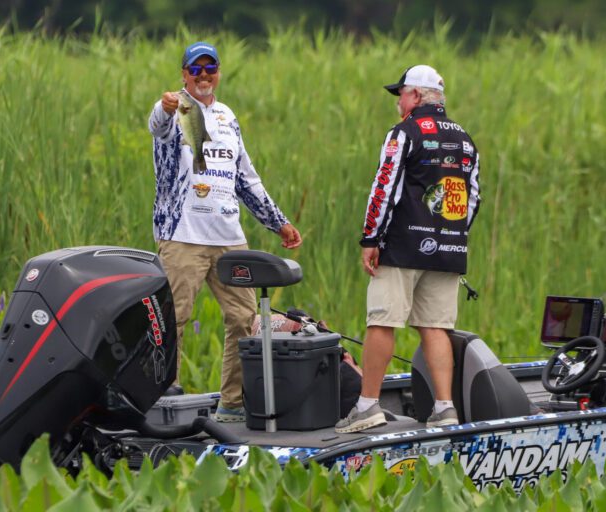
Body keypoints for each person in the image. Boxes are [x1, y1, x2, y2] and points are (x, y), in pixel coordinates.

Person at [148, 41, 302, 422]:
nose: (203, 76)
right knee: (173, 318)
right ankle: (163, 398)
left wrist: (278, 221)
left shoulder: (228, 117)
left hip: (228, 236)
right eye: (195, 69)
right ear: (184, 74)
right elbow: (158, 125)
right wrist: (165, 107)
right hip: (182, 233)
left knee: (244, 320)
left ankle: (232, 404)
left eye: (209, 69)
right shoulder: (176, 107)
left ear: (218, 73)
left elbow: (246, 178)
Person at [335, 65, 481, 433]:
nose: (398, 101)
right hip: (448, 248)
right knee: (435, 327)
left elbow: (384, 188)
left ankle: (368, 406)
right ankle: (445, 409)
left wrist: (371, 239)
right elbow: (472, 198)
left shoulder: (405, 132)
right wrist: (452, 235)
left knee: (382, 320)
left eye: (400, 93)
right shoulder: (465, 140)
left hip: (402, 245)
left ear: (415, 96)